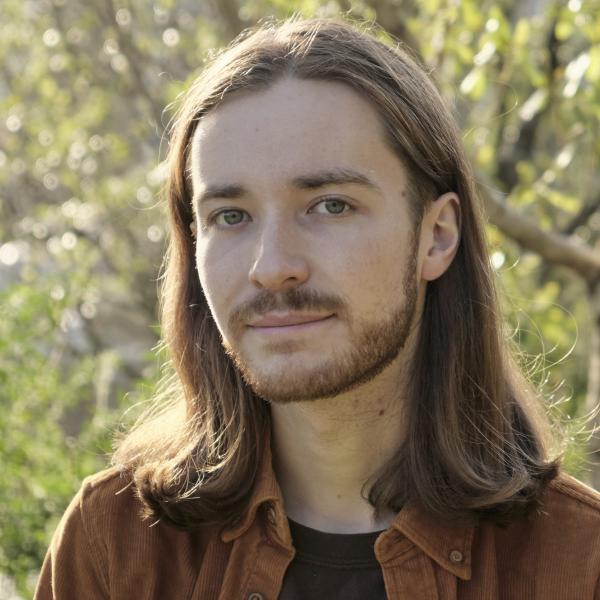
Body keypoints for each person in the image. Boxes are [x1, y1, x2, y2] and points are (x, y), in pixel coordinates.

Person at [35, 17, 600, 600]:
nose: (272, 265)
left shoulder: (580, 564)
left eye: (330, 205)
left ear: (435, 236)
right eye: (231, 216)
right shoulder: (115, 547)